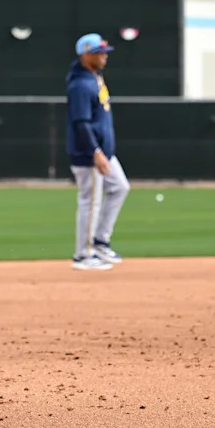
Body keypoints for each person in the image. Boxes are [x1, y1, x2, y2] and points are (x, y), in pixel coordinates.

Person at [65, 33, 130, 271]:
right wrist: (95, 151)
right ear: (85, 54)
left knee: (120, 187)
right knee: (90, 202)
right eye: (99, 52)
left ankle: (100, 241)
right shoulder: (80, 84)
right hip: (89, 154)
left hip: (104, 151)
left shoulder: (94, 77)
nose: (104, 56)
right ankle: (83, 254)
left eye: (105, 52)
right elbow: (81, 122)